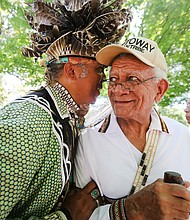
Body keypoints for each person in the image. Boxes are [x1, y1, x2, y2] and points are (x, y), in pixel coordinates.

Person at [0, 0, 132, 219]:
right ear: (71, 70)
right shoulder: (28, 123)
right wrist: (67, 215)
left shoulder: (64, 119)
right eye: (99, 70)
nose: (105, 79)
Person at [74, 36, 190, 219]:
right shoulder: (88, 142)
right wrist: (130, 209)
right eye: (113, 79)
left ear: (159, 90)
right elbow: (80, 215)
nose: (117, 90)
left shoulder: (184, 138)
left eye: (132, 79)